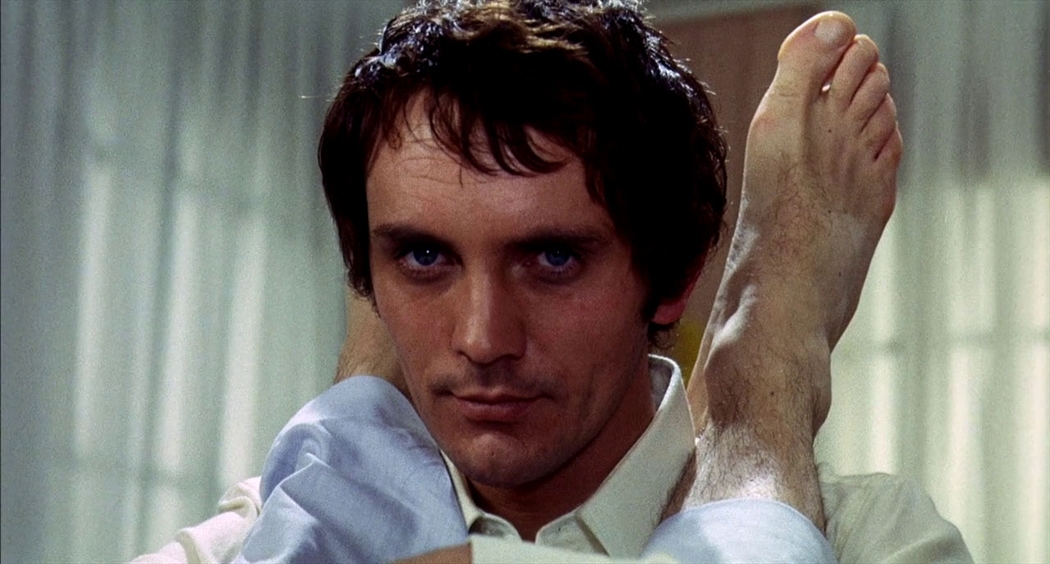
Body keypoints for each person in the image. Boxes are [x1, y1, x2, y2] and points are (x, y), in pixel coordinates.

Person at [134, 2, 970, 563]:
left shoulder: (870, 539)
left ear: (674, 276)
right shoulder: (259, 528)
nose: (482, 339)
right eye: (422, 256)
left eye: (553, 259)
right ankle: (766, 359)